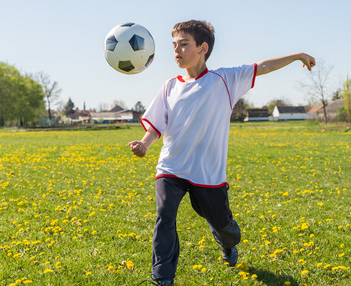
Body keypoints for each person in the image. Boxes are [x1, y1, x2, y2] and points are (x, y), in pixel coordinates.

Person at [129, 20, 315, 285]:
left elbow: (262, 67)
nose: (177, 51)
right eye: (174, 45)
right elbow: (158, 124)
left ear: (203, 48)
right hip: (171, 168)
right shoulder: (169, 85)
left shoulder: (225, 80)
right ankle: (163, 278)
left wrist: (296, 55)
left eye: (184, 44)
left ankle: (226, 242)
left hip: (208, 173)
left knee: (222, 225)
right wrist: (145, 144)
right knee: (165, 217)